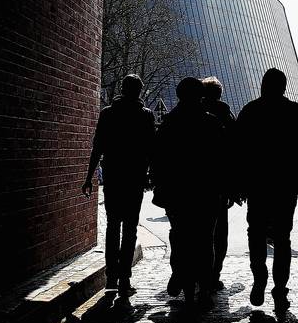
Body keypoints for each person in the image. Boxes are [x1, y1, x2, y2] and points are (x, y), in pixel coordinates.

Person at [235, 68, 298, 310]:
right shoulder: (296, 114)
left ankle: (259, 278)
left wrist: (239, 183)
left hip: (257, 185)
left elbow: (238, 151)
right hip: (285, 186)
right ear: (284, 86)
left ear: (263, 85)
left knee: (255, 234)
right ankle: (280, 288)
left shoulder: (250, 111)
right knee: (282, 238)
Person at [151, 77, 224, 306]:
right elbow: (222, 160)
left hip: (177, 193)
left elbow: (158, 159)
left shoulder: (169, 123)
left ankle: (181, 276)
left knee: (180, 236)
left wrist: (160, 186)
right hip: (206, 193)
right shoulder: (211, 124)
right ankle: (204, 288)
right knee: (205, 240)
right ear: (200, 96)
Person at [82, 74, 155, 294]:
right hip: (134, 179)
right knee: (130, 228)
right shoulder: (145, 116)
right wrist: (152, 175)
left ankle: (111, 276)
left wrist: (89, 177)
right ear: (139, 92)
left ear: (122, 89)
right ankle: (125, 277)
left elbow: (98, 147)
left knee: (113, 227)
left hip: (114, 177)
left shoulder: (108, 114)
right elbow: (152, 150)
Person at [201, 76, 239, 291]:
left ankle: (195, 272)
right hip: (218, 183)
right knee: (219, 231)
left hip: (194, 183)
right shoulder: (225, 114)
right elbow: (235, 149)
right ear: (220, 93)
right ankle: (214, 273)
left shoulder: (192, 114)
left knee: (196, 229)